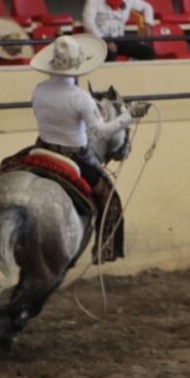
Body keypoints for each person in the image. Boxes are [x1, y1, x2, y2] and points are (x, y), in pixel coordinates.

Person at [28, 34, 149, 262]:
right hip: (75, 155)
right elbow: (101, 132)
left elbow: (38, 115)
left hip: (42, 147)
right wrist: (128, 116)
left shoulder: (39, 89)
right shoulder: (81, 97)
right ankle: (105, 249)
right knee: (109, 198)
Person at [83, 0, 155, 61]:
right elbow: (88, 23)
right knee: (110, 53)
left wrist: (148, 24)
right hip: (99, 39)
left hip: (120, 39)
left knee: (147, 52)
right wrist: (104, 42)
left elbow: (147, 7)